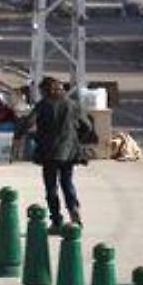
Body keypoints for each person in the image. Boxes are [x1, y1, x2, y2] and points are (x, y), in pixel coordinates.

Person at [18, 76, 93, 232]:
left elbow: (28, 123)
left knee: (51, 187)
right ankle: (73, 211)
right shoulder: (73, 105)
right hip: (69, 152)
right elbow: (87, 126)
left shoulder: (43, 105)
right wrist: (75, 139)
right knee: (67, 182)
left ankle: (56, 220)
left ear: (45, 91)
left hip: (48, 152)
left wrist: (21, 134)